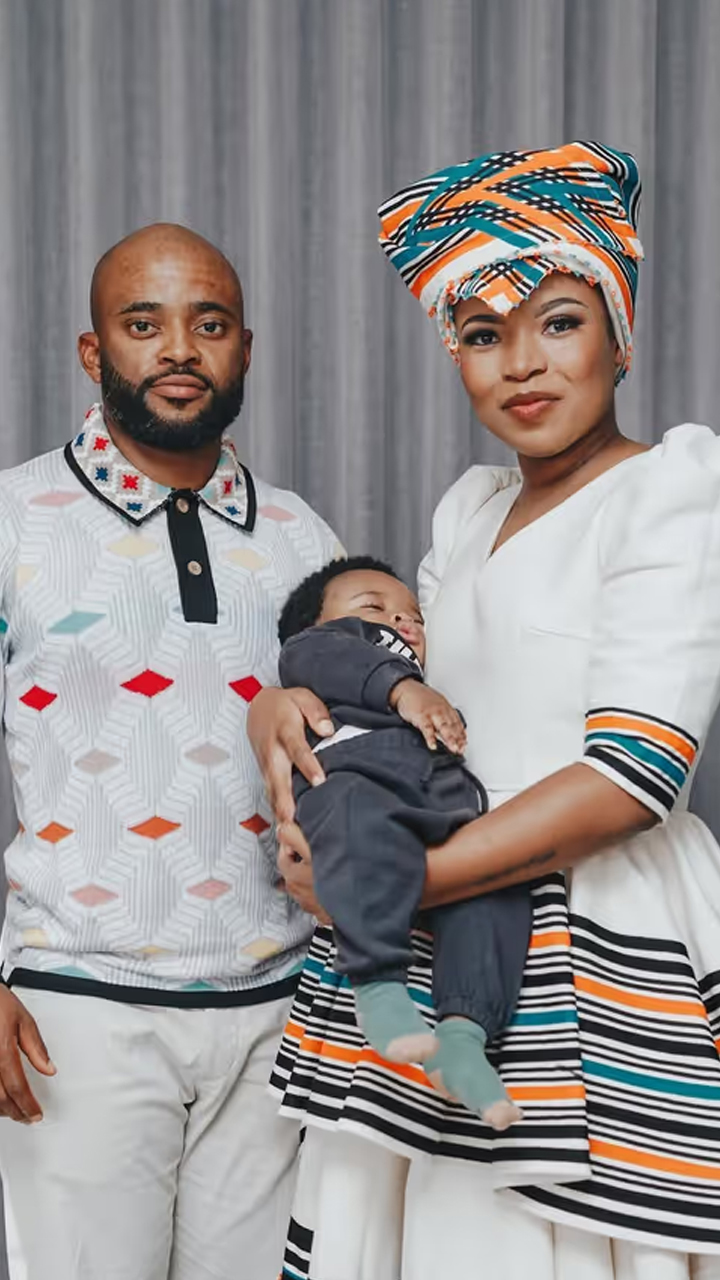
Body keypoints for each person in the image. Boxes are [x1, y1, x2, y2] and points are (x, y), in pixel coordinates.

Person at [248, 143, 720, 1279]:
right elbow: (397, 683)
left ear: (621, 335)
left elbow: (632, 780)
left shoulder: (670, 491)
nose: (521, 363)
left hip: (587, 915)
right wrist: (279, 700)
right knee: (417, 1231)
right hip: (440, 885)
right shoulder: (467, 512)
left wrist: (389, 884)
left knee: (534, 1235)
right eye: (480, 333)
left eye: (559, 322)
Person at [0, 223, 340, 1280]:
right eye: (143, 324)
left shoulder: (304, 539)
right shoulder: (13, 520)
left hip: (281, 1012)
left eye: (210, 324)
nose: (180, 350)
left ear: (246, 348)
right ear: (93, 351)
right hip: (74, 1009)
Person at [277, 555, 531, 1128]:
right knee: (359, 823)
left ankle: (464, 1035)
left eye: (414, 615)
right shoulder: (324, 652)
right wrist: (403, 690)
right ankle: (379, 988)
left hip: (437, 802)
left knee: (497, 887)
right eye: (374, 607)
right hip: (353, 786)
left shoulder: (437, 677)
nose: (402, 621)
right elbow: (325, 657)